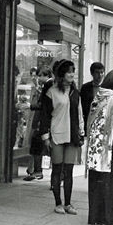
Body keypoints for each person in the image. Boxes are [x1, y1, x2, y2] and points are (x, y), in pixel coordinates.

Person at [39, 59, 85, 215]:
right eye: (69, 72)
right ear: (62, 74)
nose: (72, 74)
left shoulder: (75, 92)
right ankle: (58, 203)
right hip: (57, 135)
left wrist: (81, 131)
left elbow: (80, 113)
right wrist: (45, 137)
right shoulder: (51, 92)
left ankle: (68, 203)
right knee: (57, 170)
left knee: (69, 170)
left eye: (73, 71)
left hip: (72, 136)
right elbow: (44, 115)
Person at [85, 68, 113, 225]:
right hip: (108, 151)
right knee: (109, 187)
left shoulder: (98, 96)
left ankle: (94, 220)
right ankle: (106, 222)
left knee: (95, 185)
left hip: (95, 149)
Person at [24, 66, 54, 181]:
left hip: (44, 121)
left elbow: (43, 104)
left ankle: (37, 171)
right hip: (42, 120)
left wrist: (30, 106)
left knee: (39, 144)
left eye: (41, 75)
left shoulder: (48, 85)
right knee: (38, 144)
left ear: (47, 76)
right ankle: (37, 171)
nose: (38, 78)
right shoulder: (47, 85)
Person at [80, 62, 105, 130]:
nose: (100, 75)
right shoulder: (85, 88)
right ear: (92, 73)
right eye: (97, 73)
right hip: (88, 121)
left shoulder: (107, 87)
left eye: (102, 72)